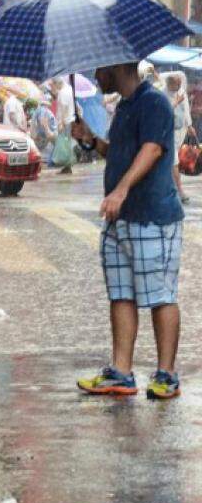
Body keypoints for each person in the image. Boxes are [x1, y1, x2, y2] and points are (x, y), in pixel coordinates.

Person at [71, 62, 184, 400]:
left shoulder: (154, 103)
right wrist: (91, 141)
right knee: (121, 293)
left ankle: (167, 375)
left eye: (98, 70)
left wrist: (120, 191)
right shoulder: (124, 106)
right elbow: (120, 153)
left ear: (117, 64)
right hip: (120, 218)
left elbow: (152, 150)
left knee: (160, 295)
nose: (94, 77)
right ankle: (121, 372)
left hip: (152, 216)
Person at [166, 72, 191, 204]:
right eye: (177, 84)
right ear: (170, 84)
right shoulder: (163, 94)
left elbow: (186, 110)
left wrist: (190, 125)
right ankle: (179, 191)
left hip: (179, 131)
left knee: (172, 163)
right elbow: (163, 111)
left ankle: (174, 190)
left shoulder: (181, 92)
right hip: (167, 133)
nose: (180, 86)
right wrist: (175, 102)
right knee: (174, 162)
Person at [51, 78, 77, 174]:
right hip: (71, 119)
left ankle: (67, 166)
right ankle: (67, 166)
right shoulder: (70, 89)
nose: (54, 88)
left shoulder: (63, 92)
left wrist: (61, 123)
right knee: (67, 144)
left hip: (66, 121)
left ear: (57, 84)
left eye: (53, 85)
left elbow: (64, 108)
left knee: (65, 145)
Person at [28, 97, 58, 165]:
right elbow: (42, 121)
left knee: (42, 149)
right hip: (48, 132)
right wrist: (47, 131)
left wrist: (34, 134)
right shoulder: (44, 110)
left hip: (43, 133)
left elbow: (34, 123)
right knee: (52, 147)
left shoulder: (37, 110)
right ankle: (50, 162)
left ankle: (48, 162)